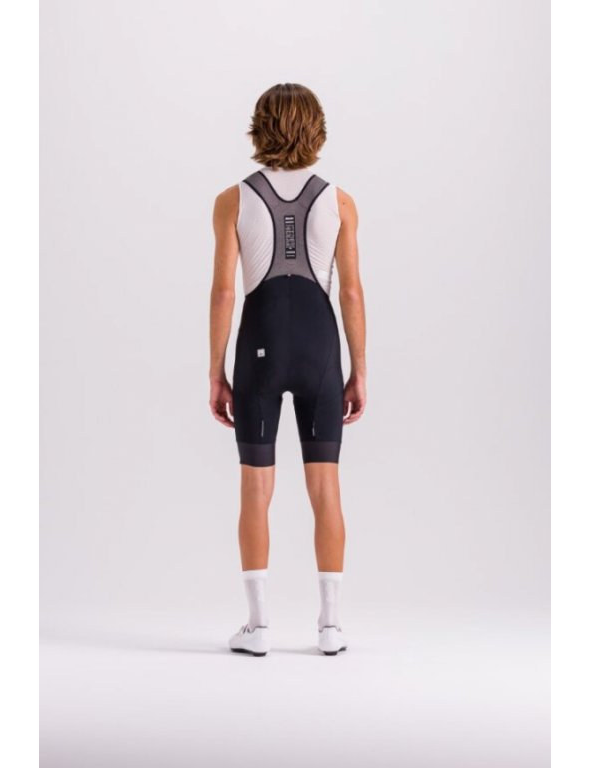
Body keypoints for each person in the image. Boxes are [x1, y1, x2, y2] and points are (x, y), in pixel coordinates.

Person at [208, 83, 367, 657]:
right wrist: (359, 370)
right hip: (321, 349)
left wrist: (216, 370)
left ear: (260, 126)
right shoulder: (340, 202)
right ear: (316, 128)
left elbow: (225, 292)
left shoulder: (233, 200)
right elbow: (350, 292)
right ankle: (330, 626)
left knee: (256, 487)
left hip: (260, 346)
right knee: (325, 487)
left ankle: (258, 628)